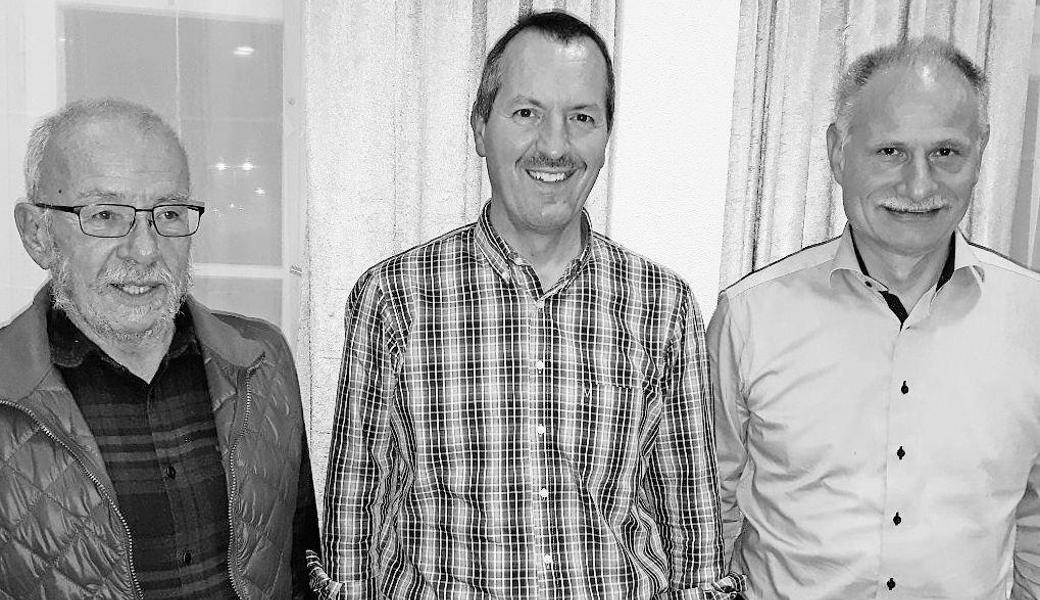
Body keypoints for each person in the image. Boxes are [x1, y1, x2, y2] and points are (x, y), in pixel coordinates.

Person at [313, 10, 742, 600]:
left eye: (581, 117)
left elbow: (694, 536)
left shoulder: (663, 306)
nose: (555, 146)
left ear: (606, 135)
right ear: (480, 128)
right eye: (526, 113)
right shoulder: (393, 300)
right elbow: (352, 530)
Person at [709, 36, 1040, 598]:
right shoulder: (749, 319)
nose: (919, 185)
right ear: (838, 153)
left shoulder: (1032, 320)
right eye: (890, 151)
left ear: (981, 152)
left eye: (946, 152)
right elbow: (703, 515)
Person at [2, 98, 320, 599]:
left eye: (168, 213)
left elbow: (300, 565)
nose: (146, 249)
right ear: (37, 234)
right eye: (105, 215)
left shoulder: (263, 361)